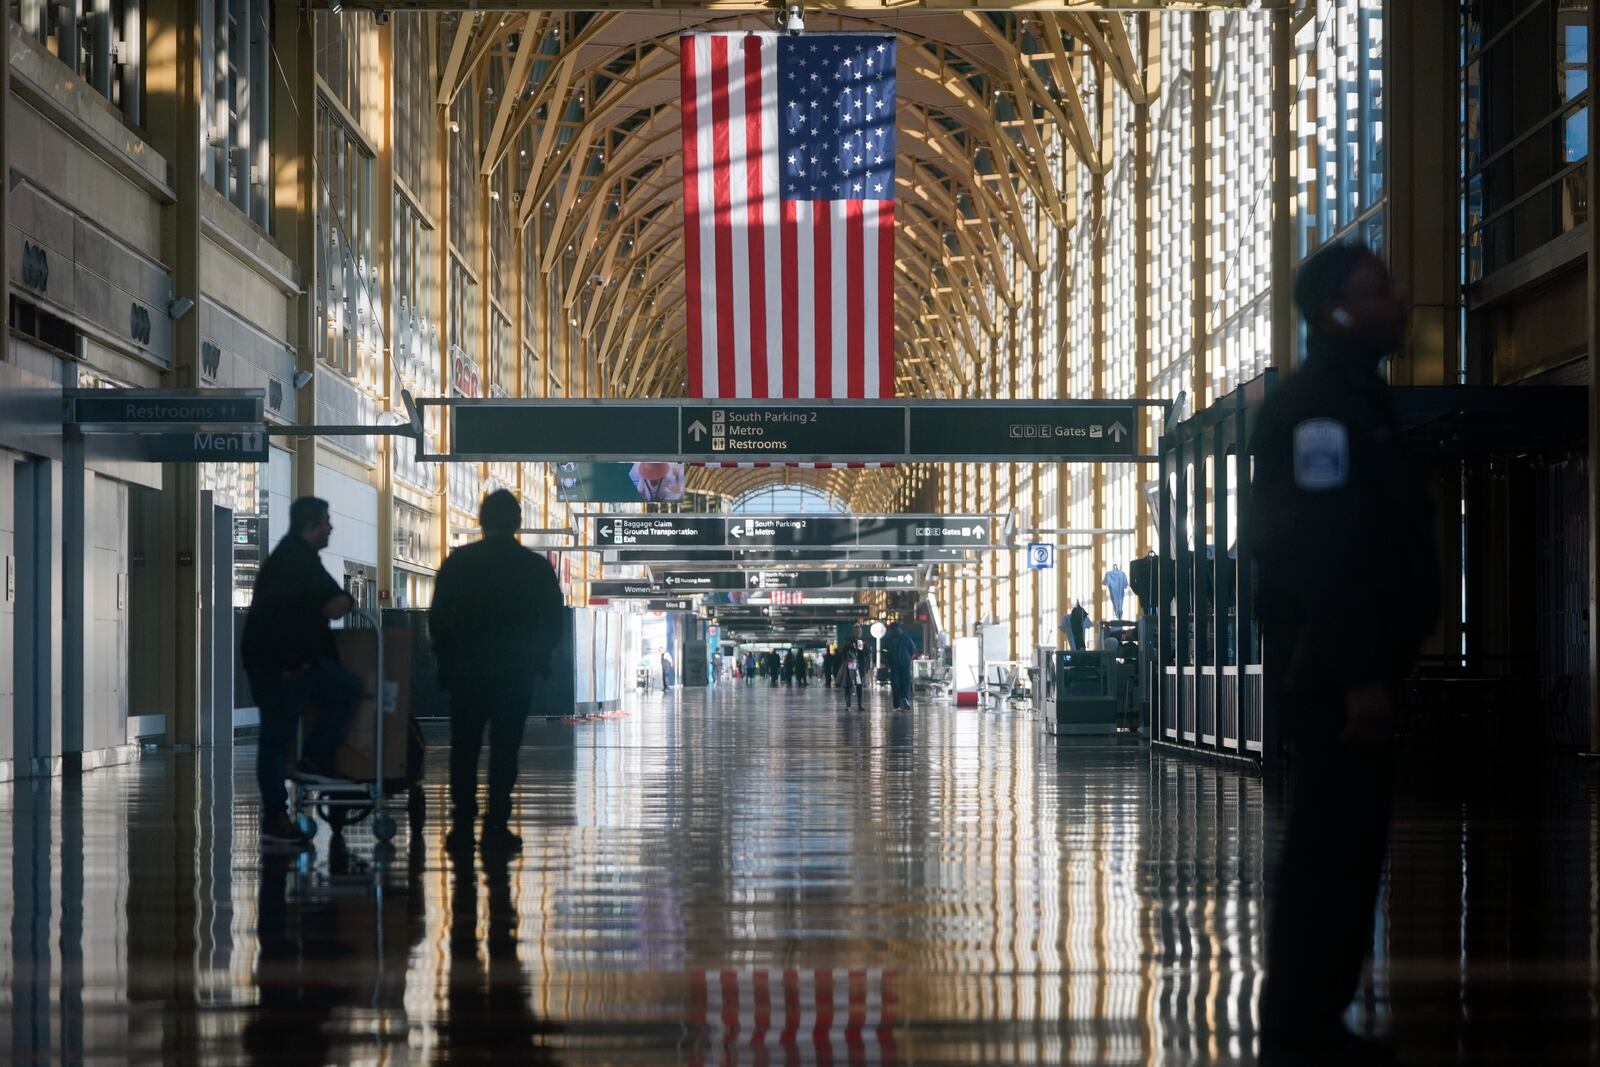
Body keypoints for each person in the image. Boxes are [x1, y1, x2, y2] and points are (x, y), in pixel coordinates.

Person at [1246, 244, 1439, 1063]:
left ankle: (1317, 1015)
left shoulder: (1358, 399)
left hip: (1352, 670)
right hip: (1332, 677)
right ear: (1335, 310)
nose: (1400, 297)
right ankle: (1298, 1023)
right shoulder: (1318, 407)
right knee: (1328, 850)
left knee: (1349, 851)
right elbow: (1320, 551)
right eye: (1380, 287)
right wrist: (1360, 675)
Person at [431, 490, 566, 855]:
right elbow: (554, 619)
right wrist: (539, 657)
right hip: (514, 674)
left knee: (465, 747)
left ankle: (462, 825)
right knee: (506, 748)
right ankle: (496, 824)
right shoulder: (534, 567)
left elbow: (440, 617)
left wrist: (446, 661)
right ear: (517, 522)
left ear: (481, 520)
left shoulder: (459, 563)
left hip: (467, 673)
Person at [241, 496, 362, 846]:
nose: (331, 527)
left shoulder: (297, 557)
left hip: (287, 661)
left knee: (343, 690)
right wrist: (291, 664)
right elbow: (290, 616)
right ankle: (276, 814)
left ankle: (311, 759)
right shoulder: (294, 562)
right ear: (311, 525)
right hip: (280, 665)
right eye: (326, 521)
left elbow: (331, 602)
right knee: (276, 739)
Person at [881, 621, 917, 711]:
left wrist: (887, 659)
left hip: (893, 664)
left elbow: (884, 651)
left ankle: (896, 704)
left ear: (891, 629)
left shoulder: (888, 639)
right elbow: (913, 651)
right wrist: (908, 659)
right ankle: (904, 698)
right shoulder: (906, 638)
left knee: (895, 684)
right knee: (905, 682)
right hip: (905, 664)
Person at [836, 633, 867, 711]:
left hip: (858, 666)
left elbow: (865, 654)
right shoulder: (848, 644)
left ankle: (857, 705)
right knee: (848, 685)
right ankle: (849, 705)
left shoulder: (862, 642)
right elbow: (842, 654)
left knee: (858, 686)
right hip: (850, 666)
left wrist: (862, 648)